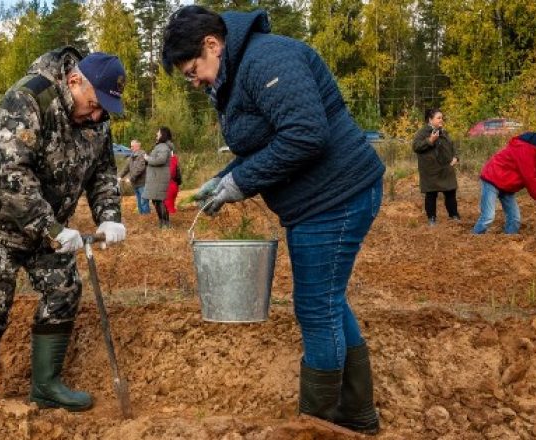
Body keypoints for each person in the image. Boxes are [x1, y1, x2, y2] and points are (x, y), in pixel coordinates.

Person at [163, 6, 384, 434]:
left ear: (213, 44)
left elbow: (305, 133)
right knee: (329, 301)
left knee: (316, 308)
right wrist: (223, 180)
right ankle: (356, 412)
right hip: (318, 202)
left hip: (336, 197)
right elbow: (261, 142)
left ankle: (320, 424)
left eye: (193, 71)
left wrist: (240, 183)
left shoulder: (267, 59)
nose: (195, 82)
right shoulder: (238, 71)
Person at [0, 48, 127, 411]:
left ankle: (46, 386)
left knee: (65, 288)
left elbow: (103, 173)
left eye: (104, 110)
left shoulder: (97, 119)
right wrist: (53, 228)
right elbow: (11, 177)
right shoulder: (27, 99)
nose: (97, 115)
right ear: (74, 80)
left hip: (46, 226)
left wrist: (110, 215)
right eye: (95, 105)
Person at [472, 126, 536, 234]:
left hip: (507, 185)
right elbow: (529, 176)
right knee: (488, 217)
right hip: (493, 178)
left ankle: (509, 242)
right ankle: (474, 238)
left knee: (515, 219)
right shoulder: (526, 148)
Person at [412, 108, 459, 225]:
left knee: (450, 192)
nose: (441, 120)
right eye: (438, 118)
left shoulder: (443, 132)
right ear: (430, 119)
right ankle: (431, 218)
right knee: (431, 194)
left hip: (446, 169)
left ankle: (454, 215)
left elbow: (452, 146)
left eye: (441, 118)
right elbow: (416, 147)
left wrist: (455, 157)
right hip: (431, 170)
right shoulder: (422, 133)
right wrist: (430, 140)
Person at [143, 127, 173, 228]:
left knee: (160, 200)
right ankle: (162, 222)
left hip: (160, 178)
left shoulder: (163, 147)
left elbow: (161, 160)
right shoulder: (160, 146)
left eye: (158, 132)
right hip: (157, 178)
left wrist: (147, 158)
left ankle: (165, 224)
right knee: (156, 200)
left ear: (163, 134)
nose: (156, 134)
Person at [118, 139, 150, 215]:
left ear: (137, 146)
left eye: (132, 146)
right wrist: (120, 176)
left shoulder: (142, 155)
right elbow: (126, 168)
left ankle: (146, 218)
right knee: (139, 202)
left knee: (144, 201)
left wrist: (130, 178)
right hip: (135, 183)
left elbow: (140, 169)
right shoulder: (131, 156)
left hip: (142, 183)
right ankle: (141, 217)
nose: (131, 148)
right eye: (131, 146)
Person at [164, 145, 182, 215]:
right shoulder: (174, 158)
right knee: (170, 205)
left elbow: (170, 173)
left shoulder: (171, 160)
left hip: (170, 185)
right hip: (174, 184)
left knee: (169, 206)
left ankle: (170, 223)